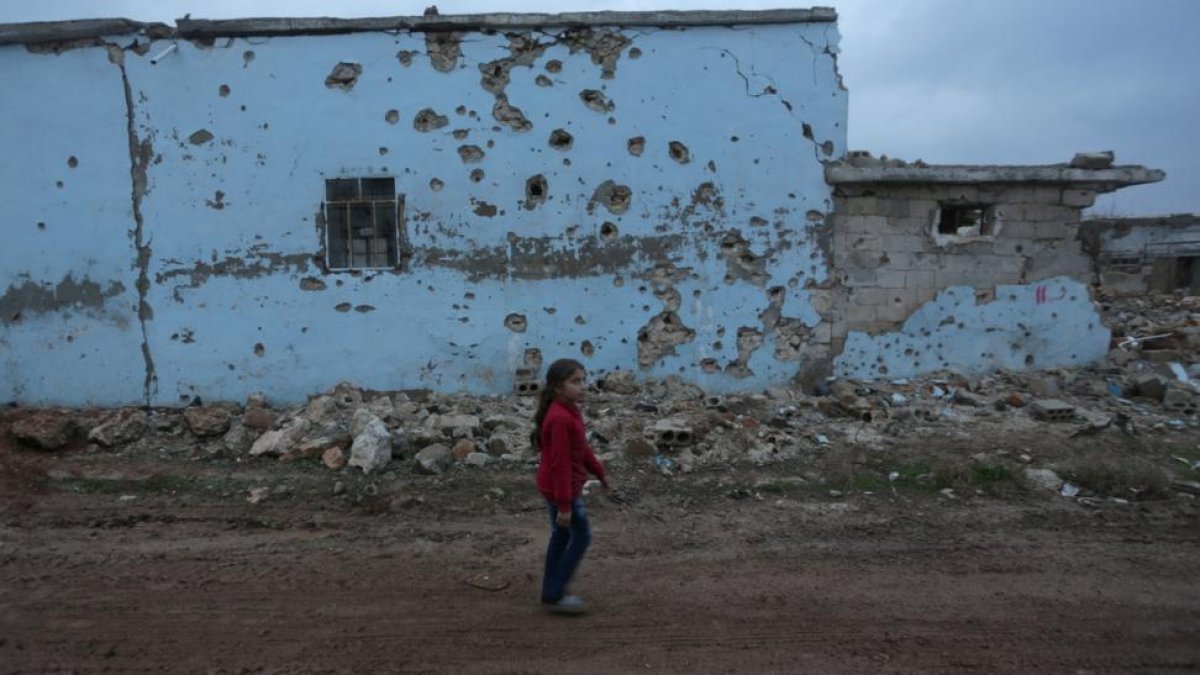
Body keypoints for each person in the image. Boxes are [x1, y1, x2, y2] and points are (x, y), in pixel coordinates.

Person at [532, 358, 610, 614]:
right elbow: (561, 465)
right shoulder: (559, 418)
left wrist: (599, 473)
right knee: (581, 536)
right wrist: (564, 505)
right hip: (560, 490)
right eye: (575, 381)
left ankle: (551, 590)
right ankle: (555, 592)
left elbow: (582, 449)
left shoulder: (569, 410)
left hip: (560, 487)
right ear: (557, 387)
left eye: (583, 380)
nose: (582, 386)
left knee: (562, 536)